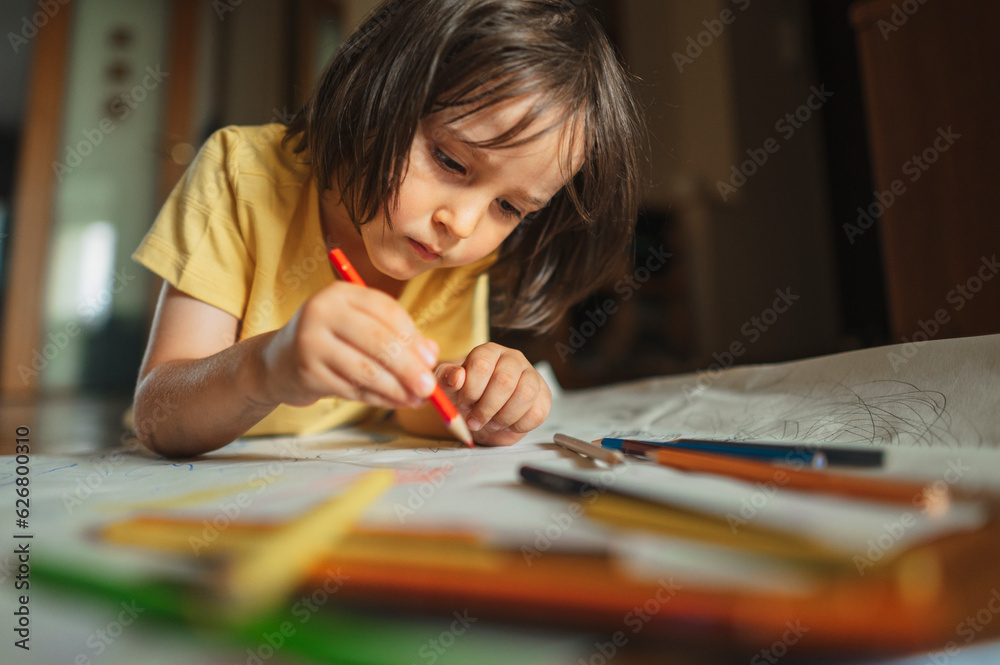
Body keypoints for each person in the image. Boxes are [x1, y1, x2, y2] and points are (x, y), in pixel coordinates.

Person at [131, 0, 645, 457]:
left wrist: (472, 397)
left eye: (510, 208)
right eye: (449, 160)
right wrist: (267, 368)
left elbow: (413, 404)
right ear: (374, 87)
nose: (462, 224)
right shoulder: (238, 173)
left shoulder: (459, 250)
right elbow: (158, 416)